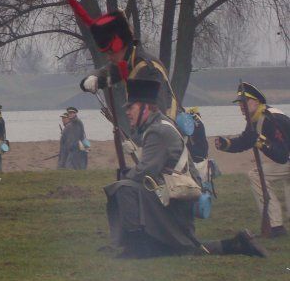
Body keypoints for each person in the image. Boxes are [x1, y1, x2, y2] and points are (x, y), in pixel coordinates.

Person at [105, 78, 265, 258]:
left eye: (131, 107)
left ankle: (136, 246)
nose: (127, 112)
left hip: (176, 201)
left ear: (146, 107)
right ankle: (235, 244)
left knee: (123, 188)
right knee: (182, 250)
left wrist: (126, 174)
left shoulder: (158, 131)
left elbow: (145, 171)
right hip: (172, 197)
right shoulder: (159, 125)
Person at [73, 5, 180, 130]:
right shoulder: (130, 63)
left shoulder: (146, 69)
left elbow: (155, 115)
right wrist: (94, 78)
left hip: (164, 136)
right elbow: (108, 72)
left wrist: (139, 143)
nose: (109, 57)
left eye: (111, 52)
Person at [215, 83, 290, 238]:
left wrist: (260, 140)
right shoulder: (256, 119)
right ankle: (276, 227)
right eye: (240, 103)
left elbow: (281, 155)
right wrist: (226, 144)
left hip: (286, 160)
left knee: (256, 175)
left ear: (256, 102)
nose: (241, 106)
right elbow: (246, 140)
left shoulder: (271, 119)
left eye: (245, 102)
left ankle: (275, 226)